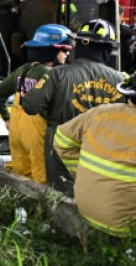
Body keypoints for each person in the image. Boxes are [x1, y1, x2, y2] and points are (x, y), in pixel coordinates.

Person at [22, 19, 126, 193]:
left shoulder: (57, 74)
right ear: (107, 50)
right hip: (103, 147)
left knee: (60, 197)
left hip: (60, 146)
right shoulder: (122, 81)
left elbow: (30, 106)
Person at [0, 24, 73, 185]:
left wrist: (6, 117)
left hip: (16, 132)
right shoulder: (50, 74)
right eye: (64, 50)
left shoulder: (23, 70)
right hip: (37, 136)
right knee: (42, 184)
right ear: (52, 51)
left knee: (21, 181)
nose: (67, 54)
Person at [54, 77, 136, 237]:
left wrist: (81, 173)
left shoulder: (100, 112)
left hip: (88, 211)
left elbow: (61, 139)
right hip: (126, 226)